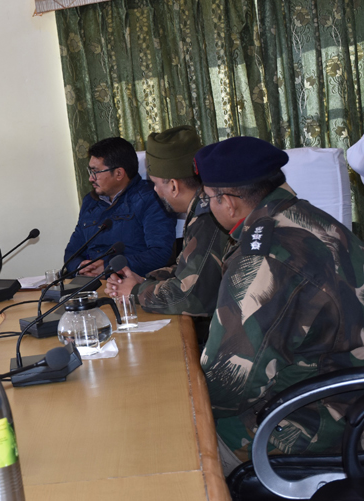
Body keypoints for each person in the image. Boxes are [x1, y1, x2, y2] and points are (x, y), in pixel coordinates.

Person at [194, 137, 364, 474]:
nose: (207, 205)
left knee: (184, 441)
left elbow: (228, 389)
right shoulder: (316, 220)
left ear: (227, 202)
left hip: (320, 422)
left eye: (207, 198)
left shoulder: (262, 261)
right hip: (348, 397)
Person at [105, 126, 230, 324]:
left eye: (155, 184)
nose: (155, 191)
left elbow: (190, 297)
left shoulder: (209, 217)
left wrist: (136, 291)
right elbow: (184, 269)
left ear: (173, 185)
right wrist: (143, 281)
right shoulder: (201, 208)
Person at [63, 137, 175, 277]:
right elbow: (71, 252)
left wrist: (108, 267)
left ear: (119, 174)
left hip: (129, 283)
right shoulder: (90, 201)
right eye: (90, 172)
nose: (91, 178)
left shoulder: (151, 198)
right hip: (90, 283)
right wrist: (81, 267)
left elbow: (160, 254)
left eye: (95, 172)